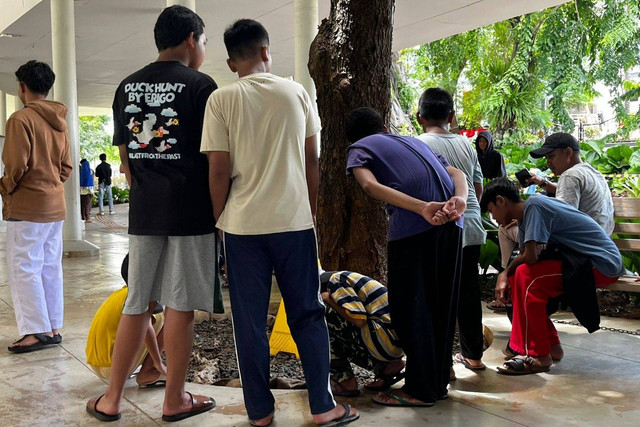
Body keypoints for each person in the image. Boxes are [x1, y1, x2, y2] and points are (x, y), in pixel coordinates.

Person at [202, 19, 358, 427]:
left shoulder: (221, 99)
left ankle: (260, 413)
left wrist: (218, 218)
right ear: (267, 52)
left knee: (250, 322)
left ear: (232, 62)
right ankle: (324, 407)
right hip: (294, 223)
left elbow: (218, 169)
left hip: (242, 228)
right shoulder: (297, 93)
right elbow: (312, 161)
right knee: (307, 313)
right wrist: (308, 212)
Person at [86, 6, 218, 422]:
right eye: (205, 42)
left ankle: (110, 400)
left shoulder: (126, 87)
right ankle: (175, 399)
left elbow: (125, 157)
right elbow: (216, 156)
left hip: (145, 213)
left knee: (137, 304)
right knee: (180, 307)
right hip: (192, 212)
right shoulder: (202, 86)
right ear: (192, 39)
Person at [345, 107, 467, 407]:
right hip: (453, 225)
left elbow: (369, 185)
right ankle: (436, 385)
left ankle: (419, 390)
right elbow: (457, 173)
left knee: (410, 311)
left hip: (414, 230)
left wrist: (422, 207)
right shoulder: (414, 141)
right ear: (385, 126)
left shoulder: (359, 148)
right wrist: (460, 199)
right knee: (441, 308)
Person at [481, 178, 624, 375]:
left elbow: (530, 257)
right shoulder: (525, 215)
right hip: (579, 262)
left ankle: (538, 355)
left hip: (601, 263)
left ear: (500, 201)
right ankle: (551, 346)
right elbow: (525, 254)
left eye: (491, 211)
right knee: (519, 276)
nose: (493, 217)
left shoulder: (535, 206)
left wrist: (504, 273)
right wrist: (507, 275)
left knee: (527, 278)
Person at [1, 60, 72, 353]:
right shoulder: (60, 120)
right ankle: (52, 326)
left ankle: (34, 331)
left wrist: (5, 188)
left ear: (22, 87)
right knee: (49, 266)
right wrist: (52, 185)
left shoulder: (21, 120)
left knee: (24, 267)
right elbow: (65, 167)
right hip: (55, 205)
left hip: (28, 207)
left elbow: (16, 165)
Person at [416, 88, 487, 372]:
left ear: (420, 117)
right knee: (468, 293)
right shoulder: (466, 145)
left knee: (438, 296)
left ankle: (441, 365)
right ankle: (474, 357)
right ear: (452, 116)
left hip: (442, 228)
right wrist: (468, 210)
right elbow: (478, 186)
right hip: (470, 225)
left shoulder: (418, 143)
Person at [496, 132, 614, 289]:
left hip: (580, 251)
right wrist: (543, 183)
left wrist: (522, 217)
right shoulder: (592, 173)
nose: (548, 162)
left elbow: (561, 219)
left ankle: (506, 282)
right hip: (602, 245)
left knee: (504, 230)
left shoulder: (570, 176)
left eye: (551, 156)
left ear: (568, 152)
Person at [320, 271, 405, 397]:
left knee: (318, 316)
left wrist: (327, 299)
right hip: (394, 343)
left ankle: (345, 381)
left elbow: (359, 321)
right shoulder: (348, 278)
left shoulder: (335, 280)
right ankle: (386, 366)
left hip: (383, 340)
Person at [86, 254, 167, 387]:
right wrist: (158, 363)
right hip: (111, 366)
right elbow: (146, 327)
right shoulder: (141, 299)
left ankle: (145, 367)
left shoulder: (123, 293)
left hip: (98, 364)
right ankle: (147, 372)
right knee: (165, 318)